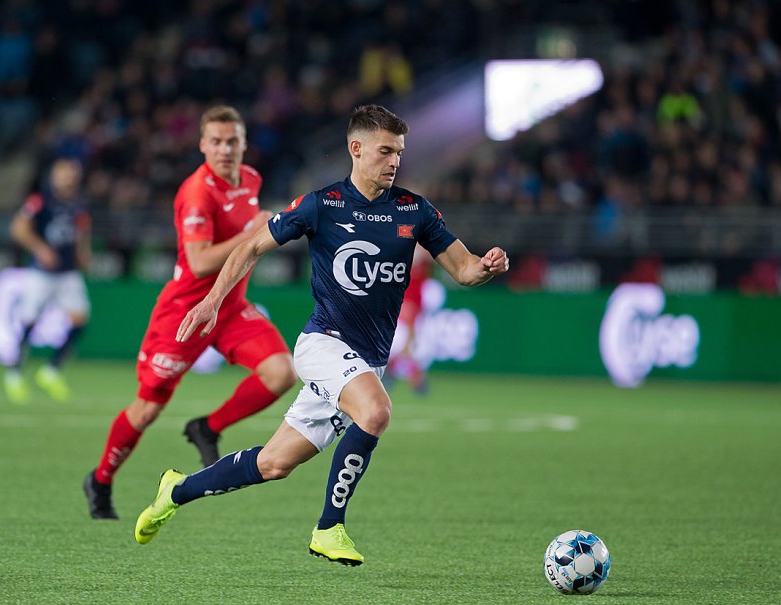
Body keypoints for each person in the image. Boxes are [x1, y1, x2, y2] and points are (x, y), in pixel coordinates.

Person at [133, 104, 509, 565]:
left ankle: (175, 491)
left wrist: (487, 266)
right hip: (324, 345)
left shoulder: (415, 211)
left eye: (399, 153)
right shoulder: (321, 205)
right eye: (385, 151)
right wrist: (212, 300)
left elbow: (465, 270)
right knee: (376, 411)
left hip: (366, 361)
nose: (395, 161)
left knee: (273, 463)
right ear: (357, 149)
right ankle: (330, 527)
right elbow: (251, 246)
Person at [83, 105, 296, 520]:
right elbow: (198, 263)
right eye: (216, 141)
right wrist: (251, 233)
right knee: (147, 409)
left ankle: (207, 427)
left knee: (282, 373)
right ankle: (101, 479)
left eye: (232, 141)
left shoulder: (251, 179)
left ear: (244, 144)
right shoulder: (197, 192)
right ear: (202, 145)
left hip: (230, 308)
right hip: (187, 313)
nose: (224, 149)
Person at [3, 157, 92, 404]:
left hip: (68, 272)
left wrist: (83, 252)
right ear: (54, 176)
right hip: (41, 273)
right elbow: (18, 228)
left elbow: (82, 231)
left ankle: (51, 370)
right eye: (63, 173)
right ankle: (15, 373)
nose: (68, 178)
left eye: (72, 174)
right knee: (29, 321)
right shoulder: (40, 201)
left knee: (80, 320)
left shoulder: (79, 204)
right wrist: (40, 248)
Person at [387, 244, 433, 394]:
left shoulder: (421, 263)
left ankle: (412, 380)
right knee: (401, 348)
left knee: (406, 348)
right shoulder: (403, 261)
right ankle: (412, 380)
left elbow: (433, 254)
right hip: (404, 305)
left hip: (413, 305)